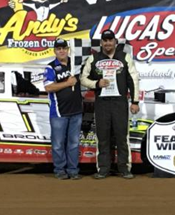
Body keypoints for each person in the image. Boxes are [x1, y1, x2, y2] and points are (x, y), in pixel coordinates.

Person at [80, 29, 140, 179]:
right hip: (102, 103)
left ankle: (125, 168)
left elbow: (133, 80)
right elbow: (83, 78)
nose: (107, 43)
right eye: (105, 40)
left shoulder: (125, 57)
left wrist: (135, 101)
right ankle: (103, 168)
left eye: (110, 40)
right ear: (101, 43)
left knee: (122, 135)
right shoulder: (93, 59)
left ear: (115, 42)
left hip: (120, 102)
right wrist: (96, 83)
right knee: (103, 136)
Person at [44, 38, 83, 180]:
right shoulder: (50, 67)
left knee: (73, 143)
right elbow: (48, 87)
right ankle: (59, 170)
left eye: (64, 48)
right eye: (58, 48)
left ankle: (73, 170)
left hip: (76, 111)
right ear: (54, 51)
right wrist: (68, 83)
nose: (62, 51)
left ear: (68, 50)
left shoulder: (76, 64)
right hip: (59, 112)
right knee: (58, 144)